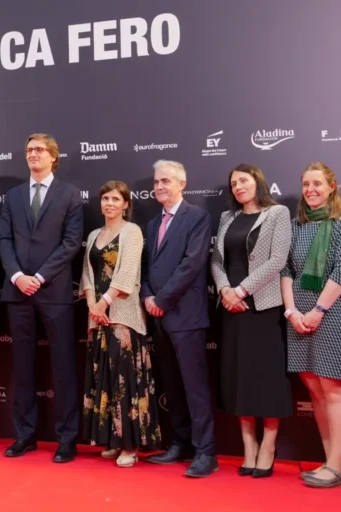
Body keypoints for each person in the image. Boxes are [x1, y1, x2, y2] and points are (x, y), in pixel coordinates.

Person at [0, 133, 83, 463]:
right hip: (18, 291)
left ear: (53, 156)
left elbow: (71, 242)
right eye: (29, 150)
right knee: (23, 368)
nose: (32, 154)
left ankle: (67, 439)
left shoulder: (70, 193)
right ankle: (25, 435)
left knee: (63, 367)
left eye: (39, 149)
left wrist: (41, 276)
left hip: (54, 291)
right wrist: (18, 277)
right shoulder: (14, 195)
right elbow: (4, 240)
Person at [279, 162, 341, 488]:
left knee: (334, 389)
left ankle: (337, 465)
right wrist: (291, 312)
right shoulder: (295, 225)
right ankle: (330, 462)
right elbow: (286, 270)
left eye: (317, 184)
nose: (310, 190)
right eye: (306, 184)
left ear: (331, 187)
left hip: (332, 312)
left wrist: (318, 310)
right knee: (315, 389)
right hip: (298, 316)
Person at [210, 164, 293, 478]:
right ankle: (248, 446)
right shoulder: (226, 217)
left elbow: (277, 259)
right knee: (239, 378)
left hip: (262, 307)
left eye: (243, 180)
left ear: (257, 181)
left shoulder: (277, 213)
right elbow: (217, 260)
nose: (238, 187)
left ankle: (268, 446)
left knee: (267, 378)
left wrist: (242, 290)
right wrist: (225, 291)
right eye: (233, 183)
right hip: (231, 308)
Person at [141, 159, 217, 478]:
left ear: (182, 184)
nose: (159, 186)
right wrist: (148, 296)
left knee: (195, 386)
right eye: (156, 181)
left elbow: (192, 263)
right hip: (158, 316)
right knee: (171, 384)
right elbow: (148, 267)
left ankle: (206, 452)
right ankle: (179, 443)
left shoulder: (197, 217)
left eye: (166, 181)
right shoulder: (151, 223)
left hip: (186, 315)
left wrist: (162, 300)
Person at [80, 180, 161, 468]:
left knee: (125, 381)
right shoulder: (93, 235)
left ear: (126, 204)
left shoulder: (132, 231)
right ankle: (113, 440)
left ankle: (130, 445)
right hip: (98, 319)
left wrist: (104, 303)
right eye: (105, 199)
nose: (109, 204)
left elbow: (128, 274)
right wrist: (93, 306)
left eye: (115, 199)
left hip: (123, 316)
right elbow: (87, 274)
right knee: (105, 378)